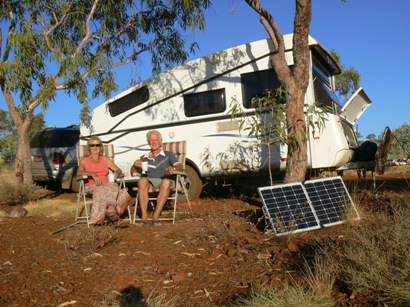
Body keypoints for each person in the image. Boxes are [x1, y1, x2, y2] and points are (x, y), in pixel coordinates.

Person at [77, 136, 131, 227]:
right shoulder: (84, 160)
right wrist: (92, 174)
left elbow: (118, 170)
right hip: (92, 186)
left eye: (97, 145)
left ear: (100, 147)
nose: (95, 147)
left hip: (107, 186)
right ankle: (112, 217)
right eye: (92, 145)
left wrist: (117, 173)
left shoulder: (105, 159)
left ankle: (110, 210)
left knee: (115, 187)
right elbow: (79, 172)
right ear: (89, 147)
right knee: (107, 188)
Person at [131, 130, 182, 226]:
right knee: (142, 180)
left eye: (156, 140)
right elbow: (133, 172)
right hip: (149, 181)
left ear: (160, 142)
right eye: (151, 140)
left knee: (166, 182)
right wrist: (135, 165)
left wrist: (173, 167)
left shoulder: (168, 154)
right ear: (148, 142)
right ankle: (144, 216)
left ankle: (156, 215)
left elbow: (181, 166)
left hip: (164, 180)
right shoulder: (144, 157)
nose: (154, 142)